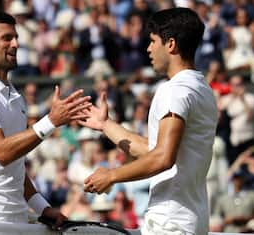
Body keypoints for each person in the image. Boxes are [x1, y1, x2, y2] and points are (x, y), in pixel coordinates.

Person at [78, 8, 218, 235]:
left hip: (170, 224)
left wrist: (111, 176)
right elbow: (154, 150)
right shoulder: (202, 90)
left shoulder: (175, 91)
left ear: (170, 44)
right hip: (188, 221)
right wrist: (106, 125)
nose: (148, 48)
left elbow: (162, 158)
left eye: (153, 41)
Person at [0, 12, 91, 227]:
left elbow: (15, 167)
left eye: (16, 37)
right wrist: (51, 121)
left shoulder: (16, 98)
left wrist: (43, 207)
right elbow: (2, 152)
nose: (16, 44)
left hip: (15, 219)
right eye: (7, 38)